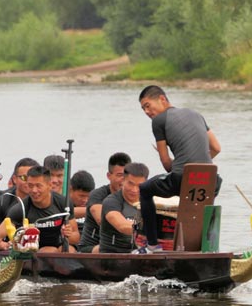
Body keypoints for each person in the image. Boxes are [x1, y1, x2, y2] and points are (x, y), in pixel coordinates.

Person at [135, 85, 221, 254]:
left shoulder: (158, 121)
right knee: (200, 202)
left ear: (162, 99)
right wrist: (196, 165)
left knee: (144, 190)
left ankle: (153, 245)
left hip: (183, 178)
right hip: (212, 180)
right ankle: (206, 247)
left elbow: (166, 163)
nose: (146, 111)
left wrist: (182, 164)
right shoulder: (196, 114)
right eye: (143, 109)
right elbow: (216, 148)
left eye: (147, 105)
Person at [4, 166, 75, 254]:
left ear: (49, 185)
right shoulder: (21, 208)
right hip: (34, 251)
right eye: (30, 186)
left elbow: (76, 238)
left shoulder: (64, 203)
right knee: (50, 251)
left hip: (59, 245)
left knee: (70, 250)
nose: (34, 190)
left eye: (38, 186)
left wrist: (68, 234)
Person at [78, 152, 131, 253]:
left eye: (126, 176)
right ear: (109, 176)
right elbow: (101, 219)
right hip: (93, 247)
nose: (123, 180)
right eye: (119, 175)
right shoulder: (97, 195)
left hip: (124, 246)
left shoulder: (134, 196)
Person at [99, 163, 149, 253]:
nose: (134, 190)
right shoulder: (111, 202)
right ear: (123, 181)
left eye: (139, 185)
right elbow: (122, 226)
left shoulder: (151, 201)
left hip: (140, 254)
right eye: (130, 184)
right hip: (113, 256)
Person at [0, 158, 39, 238]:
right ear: (14, 179)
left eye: (32, 178)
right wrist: (1, 245)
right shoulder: (1, 202)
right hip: (7, 248)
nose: (29, 182)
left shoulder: (45, 202)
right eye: (24, 178)